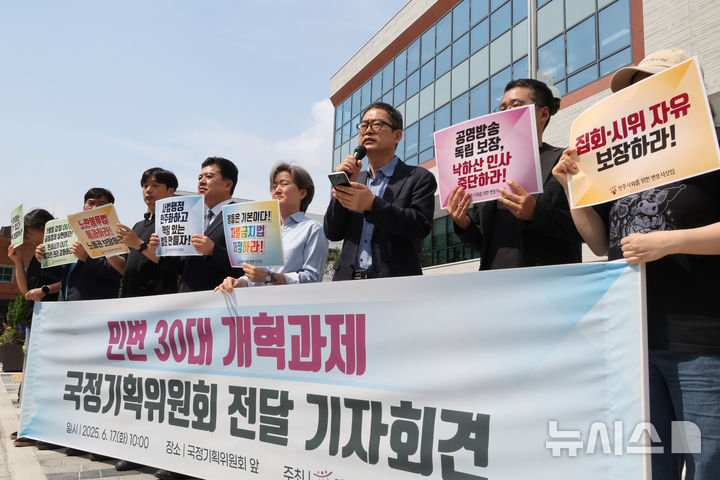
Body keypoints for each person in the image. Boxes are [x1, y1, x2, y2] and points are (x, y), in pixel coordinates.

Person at [552, 48, 720, 480]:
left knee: (707, 463)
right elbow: (598, 243)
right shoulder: (620, 162)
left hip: (698, 340)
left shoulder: (715, 143)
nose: (637, 96)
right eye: (631, 89)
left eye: (649, 84)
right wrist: (573, 188)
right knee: (649, 465)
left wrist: (671, 242)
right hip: (631, 338)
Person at [446, 79, 582, 269]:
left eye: (516, 105)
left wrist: (536, 213)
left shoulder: (565, 160)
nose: (507, 112)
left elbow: (587, 229)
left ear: (543, 114)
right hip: (496, 282)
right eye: (503, 108)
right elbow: (482, 244)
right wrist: (464, 224)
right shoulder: (486, 170)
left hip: (548, 280)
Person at [324, 101, 436, 280]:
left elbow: (420, 227)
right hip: (347, 282)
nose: (368, 131)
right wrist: (342, 186)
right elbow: (332, 232)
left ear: (397, 135)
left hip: (393, 283)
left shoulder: (419, 178)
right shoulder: (355, 180)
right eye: (363, 126)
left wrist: (372, 205)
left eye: (376, 124)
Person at [216, 162, 328, 292]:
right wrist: (239, 282)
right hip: (260, 302)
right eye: (274, 186)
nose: (277, 190)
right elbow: (258, 275)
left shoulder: (312, 229)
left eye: (284, 184)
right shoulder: (264, 229)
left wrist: (269, 277)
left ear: (302, 193)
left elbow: (312, 278)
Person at [7, 208, 61, 448]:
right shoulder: (35, 254)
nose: (27, 237)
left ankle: (40, 427)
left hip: (53, 317)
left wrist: (46, 290)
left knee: (43, 374)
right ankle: (29, 424)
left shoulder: (59, 249)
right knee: (31, 373)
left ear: (42, 228)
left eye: (29, 232)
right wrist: (18, 261)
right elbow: (25, 290)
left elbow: (66, 281)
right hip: (34, 317)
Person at [152, 157, 242, 292]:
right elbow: (184, 267)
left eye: (209, 176)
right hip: (188, 298)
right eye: (200, 177)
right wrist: (162, 252)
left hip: (219, 299)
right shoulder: (196, 220)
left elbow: (246, 266)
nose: (201, 181)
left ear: (228, 185)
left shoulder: (239, 216)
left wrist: (213, 250)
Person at [35, 188, 122, 301]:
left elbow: (118, 272)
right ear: (83, 207)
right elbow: (62, 274)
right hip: (66, 305)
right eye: (91, 203)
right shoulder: (72, 236)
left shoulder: (118, 236)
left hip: (95, 306)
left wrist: (88, 259)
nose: (95, 208)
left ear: (110, 208)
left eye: (101, 204)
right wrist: (45, 259)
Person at [116, 167, 179, 297]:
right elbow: (124, 267)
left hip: (158, 300)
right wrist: (104, 251)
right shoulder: (138, 226)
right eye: (145, 186)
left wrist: (140, 244)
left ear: (170, 191)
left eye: (155, 185)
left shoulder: (176, 224)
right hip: (128, 299)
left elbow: (177, 266)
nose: (148, 190)